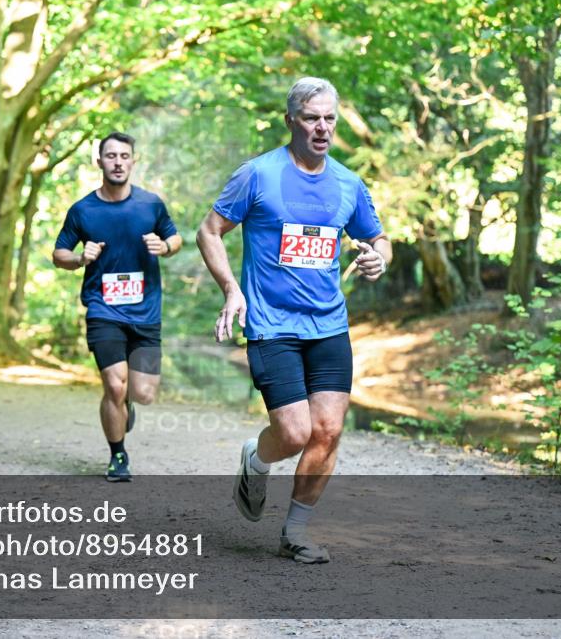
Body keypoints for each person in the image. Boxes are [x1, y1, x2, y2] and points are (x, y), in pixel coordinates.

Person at [195, 77, 391, 564]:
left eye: (329, 118)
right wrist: (231, 289)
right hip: (271, 325)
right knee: (295, 432)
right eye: (311, 118)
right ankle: (256, 461)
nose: (321, 128)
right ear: (291, 121)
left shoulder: (349, 183)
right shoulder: (258, 175)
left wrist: (378, 258)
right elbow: (209, 230)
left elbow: (379, 238)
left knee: (328, 431)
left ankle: (296, 532)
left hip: (328, 326)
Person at [53, 132, 182, 482]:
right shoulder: (83, 210)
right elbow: (58, 253)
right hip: (103, 310)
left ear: (133, 161)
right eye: (110, 156)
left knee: (143, 393)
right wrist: (80, 257)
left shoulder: (151, 205)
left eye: (124, 156)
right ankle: (118, 454)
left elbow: (176, 237)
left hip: (146, 314)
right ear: (100, 162)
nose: (118, 162)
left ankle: (125, 405)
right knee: (114, 384)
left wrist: (165, 247)